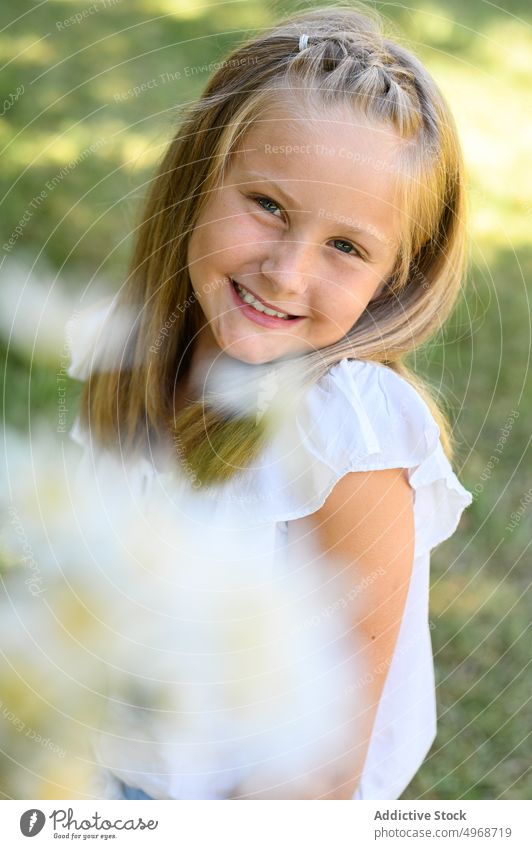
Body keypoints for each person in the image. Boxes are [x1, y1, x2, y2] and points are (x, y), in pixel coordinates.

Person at [66, 4, 473, 800]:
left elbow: (324, 760)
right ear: (199, 178)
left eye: (345, 247)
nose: (286, 273)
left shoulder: (349, 435)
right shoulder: (138, 352)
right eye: (268, 206)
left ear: (394, 275)